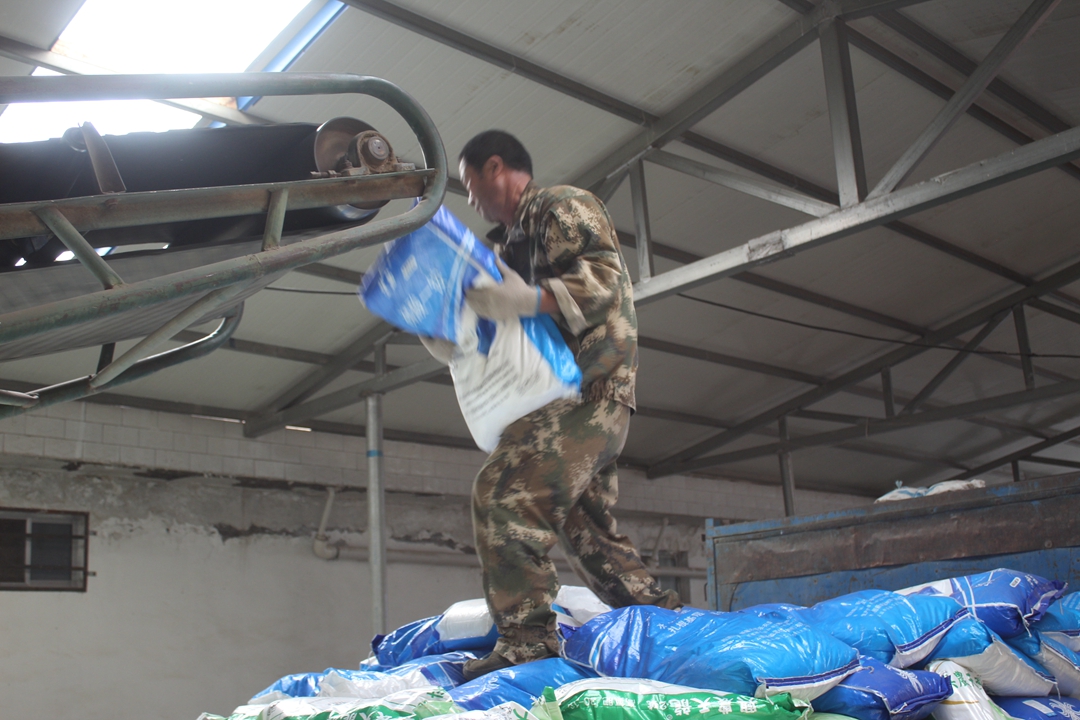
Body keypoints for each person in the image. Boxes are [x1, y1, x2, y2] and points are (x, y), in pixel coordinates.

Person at [421, 130, 681, 681]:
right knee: (592, 539)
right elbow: (503, 324)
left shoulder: (562, 206)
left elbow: (605, 281)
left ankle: (527, 646)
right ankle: (671, 625)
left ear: (497, 168)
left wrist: (529, 298)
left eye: (470, 183)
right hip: (560, 394)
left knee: (503, 495)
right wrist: (453, 331)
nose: (471, 198)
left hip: (589, 388)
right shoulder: (507, 247)